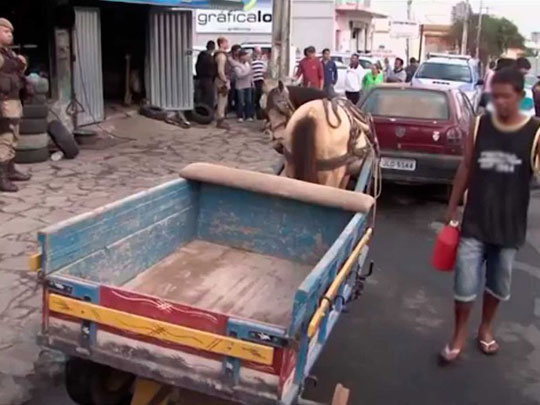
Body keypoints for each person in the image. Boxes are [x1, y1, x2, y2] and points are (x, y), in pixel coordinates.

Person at [440, 68, 540, 363]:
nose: (499, 102)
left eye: (506, 97)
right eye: (494, 96)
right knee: (464, 284)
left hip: (509, 227)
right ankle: (458, 334)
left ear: (521, 97)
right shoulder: (479, 125)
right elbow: (466, 167)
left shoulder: (535, 133)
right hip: (474, 222)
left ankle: (485, 328)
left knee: (498, 285)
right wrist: (451, 207)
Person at [0, 18, 30, 192]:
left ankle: (10, 170)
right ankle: (1, 176)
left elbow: (20, 67)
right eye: (5, 31)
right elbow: (11, 65)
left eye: (10, 32)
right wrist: (17, 62)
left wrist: (18, 63)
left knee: (14, 137)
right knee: (5, 138)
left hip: (14, 100)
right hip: (3, 103)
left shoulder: (8, 52)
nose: (9, 35)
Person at [230, 50, 254, 122]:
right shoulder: (237, 65)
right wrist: (248, 72)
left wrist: (252, 82)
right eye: (245, 56)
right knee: (241, 101)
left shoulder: (248, 64)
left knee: (248, 101)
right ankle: (240, 116)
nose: (247, 57)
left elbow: (251, 74)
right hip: (240, 86)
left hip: (248, 85)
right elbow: (239, 75)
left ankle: (248, 115)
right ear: (241, 57)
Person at [214, 36, 231, 129]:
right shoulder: (222, 56)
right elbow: (220, 71)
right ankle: (220, 119)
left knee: (222, 100)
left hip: (219, 79)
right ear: (221, 43)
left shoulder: (218, 55)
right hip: (221, 80)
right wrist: (225, 81)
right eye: (226, 42)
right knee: (222, 100)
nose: (227, 44)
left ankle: (220, 118)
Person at [195, 40, 216, 110]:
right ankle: (208, 113)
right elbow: (212, 69)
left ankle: (200, 111)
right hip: (208, 79)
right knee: (209, 98)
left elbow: (197, 66)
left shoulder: (201, 56)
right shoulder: (209, 58)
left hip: (200, 78)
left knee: (201, 97)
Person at [251, 47, 267, 119]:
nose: (258, 53)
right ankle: (253, 114)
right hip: (253, 81)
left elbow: (264, 72)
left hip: (260, 81)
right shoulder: (251, 61)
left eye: (259, 52)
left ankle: (259, 115)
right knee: (254, 98)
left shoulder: (262, 62)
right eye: (257, 52)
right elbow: (250, 73)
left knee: (260, 98)